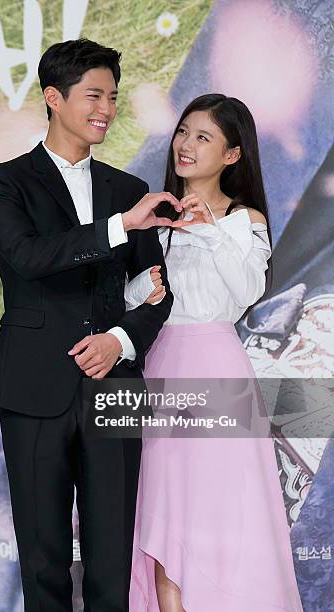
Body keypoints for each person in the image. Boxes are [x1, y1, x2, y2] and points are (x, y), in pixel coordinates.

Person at [0, 38, 178, 612]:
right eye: (95, 95)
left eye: (113, 98)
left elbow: (158, 296)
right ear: (53, 98)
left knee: (112, 557)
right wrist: (118, 228)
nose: (107, 110)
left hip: (114, 390)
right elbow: (28, 257)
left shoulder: (128, 190)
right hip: (35, 386)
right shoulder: (2, 182)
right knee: (43, 560)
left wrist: (120, 340)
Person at [127, 94, 304, 611]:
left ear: (232, 154)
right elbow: (127, 299)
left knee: (214, 513)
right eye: (183, 132)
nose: (186, 145)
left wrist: (207, 231)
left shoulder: (243, 219)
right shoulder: (151, 213)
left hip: (215, 368)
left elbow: (248, 287)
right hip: (157, 367)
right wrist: (143, 287)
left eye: (203, 137)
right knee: (160, 513)